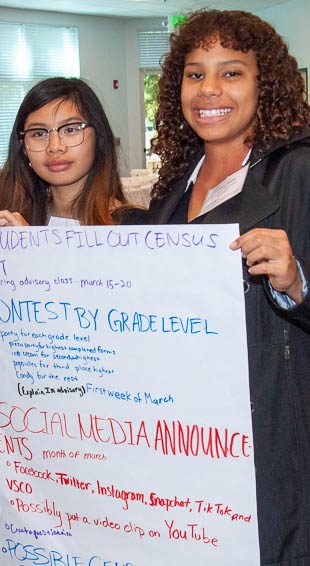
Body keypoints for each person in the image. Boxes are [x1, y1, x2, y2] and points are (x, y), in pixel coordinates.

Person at [147, 10, 310, 564]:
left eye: (232, 72)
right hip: (187, 432)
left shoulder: (299, 171)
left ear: (266, 83)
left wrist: (296, 279)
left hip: (272, 432)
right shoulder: (173, 186)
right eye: (195, 74)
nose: (210, 90)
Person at [0, 77, 142, 243]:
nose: (55, 146)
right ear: (23, 148)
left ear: (99, 137)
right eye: (39, 133)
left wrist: (31, 248)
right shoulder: (15, 223)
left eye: (71, 129)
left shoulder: (137, 228)